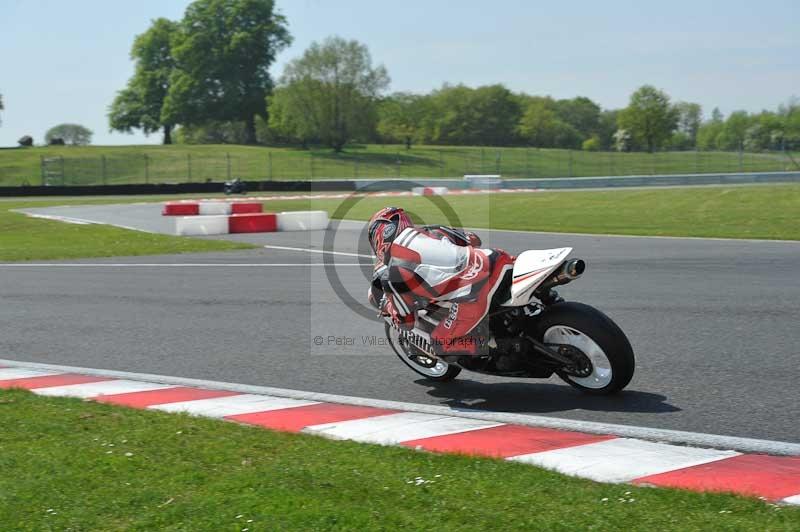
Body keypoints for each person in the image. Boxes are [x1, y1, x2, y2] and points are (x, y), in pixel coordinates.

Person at [367, 207, 515, 358]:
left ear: (380, 235)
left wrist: (388, 307)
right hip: (496, 258)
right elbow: (473, 239)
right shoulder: (433, 231)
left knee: (440, 344)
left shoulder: (392, 273)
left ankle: (501, 350)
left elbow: (407, 323)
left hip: (475, 292)